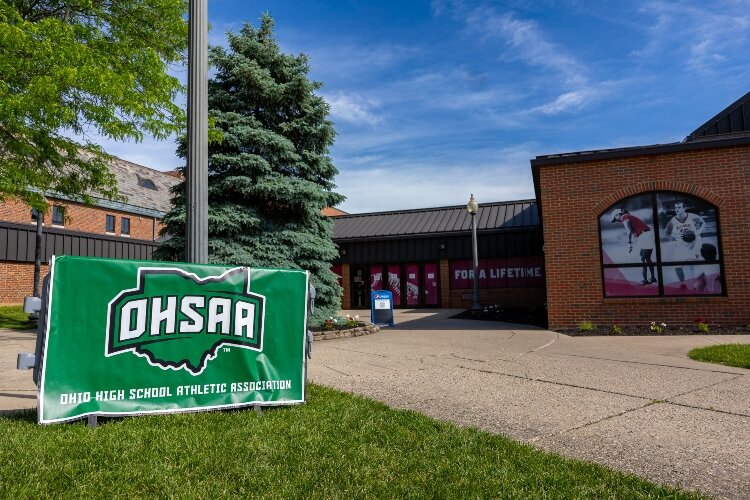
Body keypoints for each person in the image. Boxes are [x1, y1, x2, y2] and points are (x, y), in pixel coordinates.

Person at [664, 201, 705, 289]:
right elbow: (666, 234)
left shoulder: (693, 217)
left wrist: (698, 232)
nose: (677, 209)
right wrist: (678, 235)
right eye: (675, 208)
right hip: (681, 244)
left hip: (695, 242)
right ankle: (683, 284)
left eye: (679, 207)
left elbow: (703, 223)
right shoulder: (672, 221)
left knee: (693, 264)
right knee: (677, 266)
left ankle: (698, 285)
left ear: (684, 208)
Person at [611, 208, 657, 285]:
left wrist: (629, 242)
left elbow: (628, 231)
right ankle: (652, 278)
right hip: (647, 235)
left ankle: (645, 280)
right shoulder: (629, 217)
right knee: (647, 258)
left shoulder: (624, 217)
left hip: (645, 235)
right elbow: (633, 233)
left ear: (618, 214)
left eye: (615, 218)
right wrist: (631, 246)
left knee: (641, 258)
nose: (617, 221)